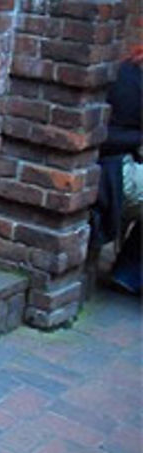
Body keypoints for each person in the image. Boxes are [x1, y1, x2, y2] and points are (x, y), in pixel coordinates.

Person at [93, 46, 142, 295]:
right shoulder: (133, 78)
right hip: (111, 172)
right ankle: (131, 272)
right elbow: (112, 137)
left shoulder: (128, 68)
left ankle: (131, 272)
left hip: (109, 166)